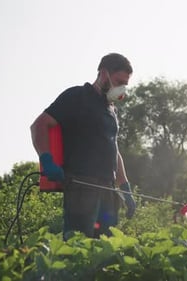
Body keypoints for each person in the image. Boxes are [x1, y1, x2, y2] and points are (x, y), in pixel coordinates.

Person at [30, 53, 136, 239]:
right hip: (82, 188)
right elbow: (39, 125)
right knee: (78, 245)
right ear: (104, 74)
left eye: (124, 84)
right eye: (119, 81)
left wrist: (125, 187)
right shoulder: (76, 96)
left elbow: (114, 148)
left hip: (108, 190)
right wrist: (46, 160)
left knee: (106, 249)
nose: (121, 88)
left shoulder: (111, 109)